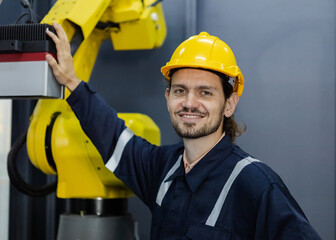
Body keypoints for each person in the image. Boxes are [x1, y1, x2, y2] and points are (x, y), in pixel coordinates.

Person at [46, 22, 321, 239]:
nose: (190, 102)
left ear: (229, 104)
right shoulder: (162, 169)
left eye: (205, 92)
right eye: (180, 90)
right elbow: (112, 135)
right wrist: (71, 81)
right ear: (167, 98)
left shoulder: (255, 184)